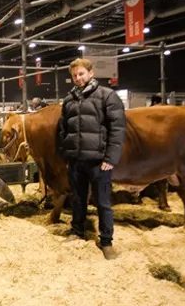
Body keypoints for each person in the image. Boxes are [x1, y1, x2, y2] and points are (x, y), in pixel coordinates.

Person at [58, 58, 126, 260]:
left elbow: (118, 129)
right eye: (74, 76)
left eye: (81, 74)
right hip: (76, 161)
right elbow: (64, 130)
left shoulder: (107, 96)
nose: (78, 78)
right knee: (78, 199)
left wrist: (111, 158)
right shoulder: (69, 100)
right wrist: (67, 154)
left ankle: (106, 241)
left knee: (103, 202)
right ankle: (77, 231)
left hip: (99, 161)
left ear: (91, 73)